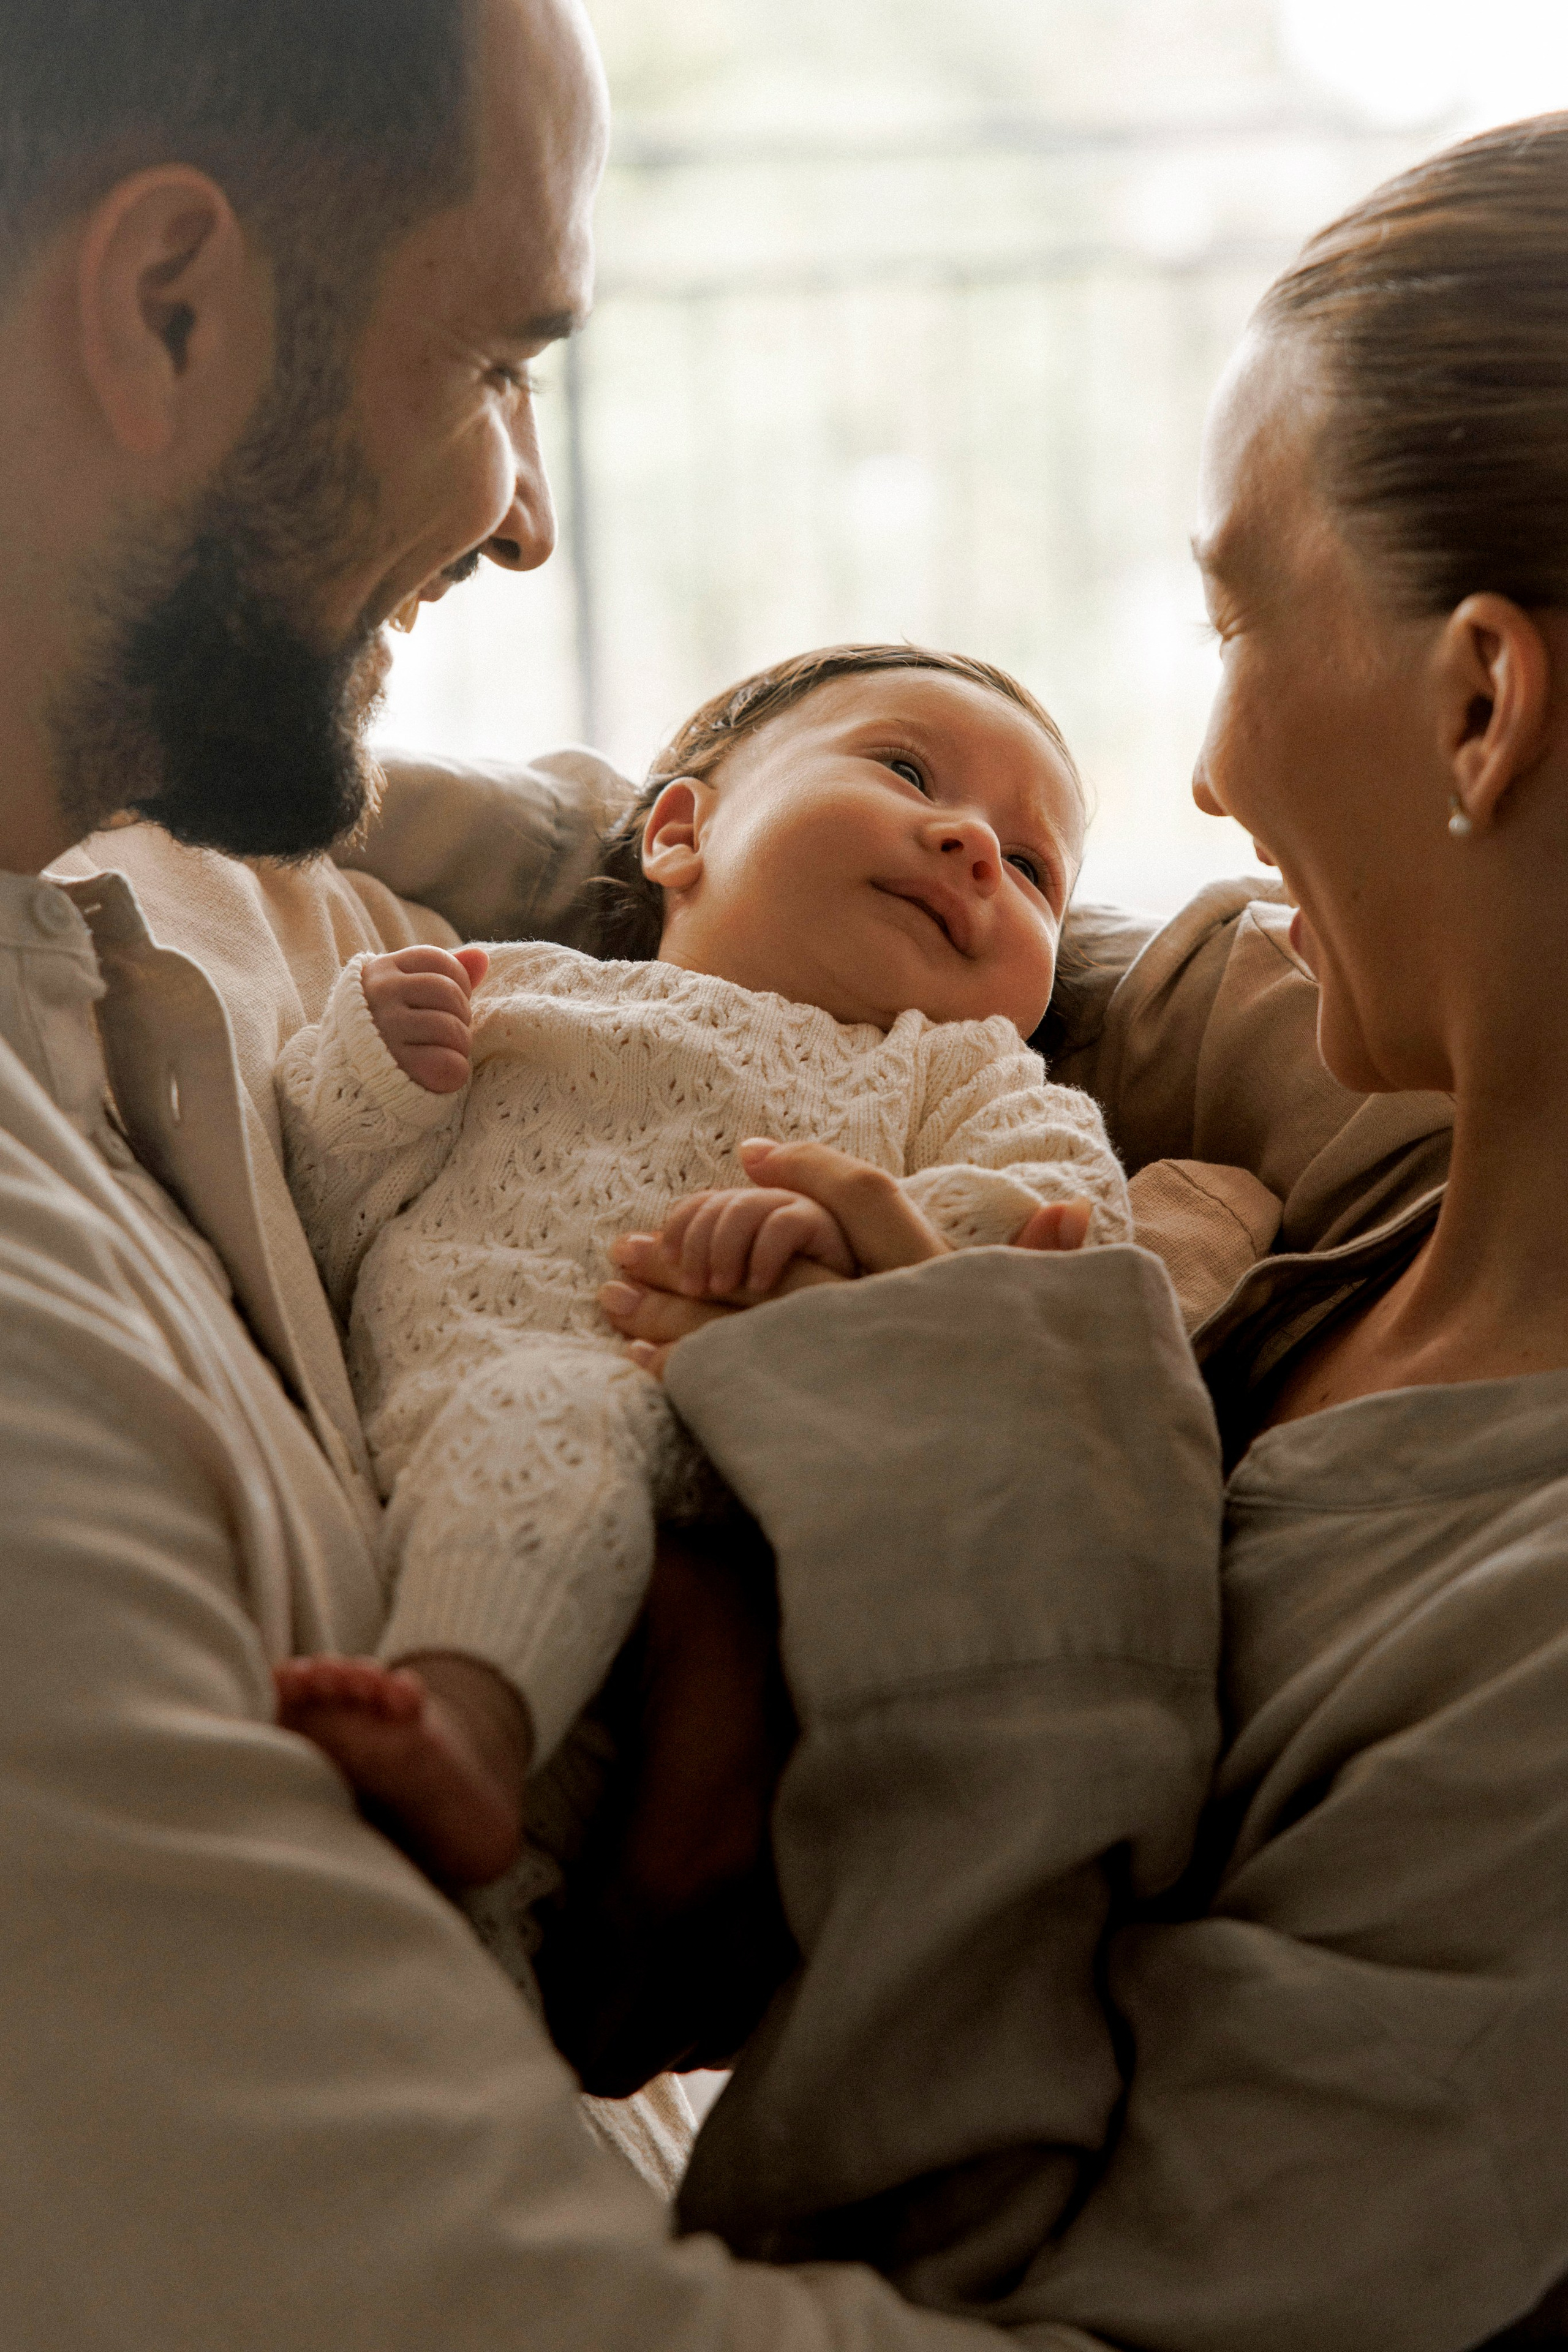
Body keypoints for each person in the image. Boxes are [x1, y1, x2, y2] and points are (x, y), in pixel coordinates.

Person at [592, 114, 1568, 2348]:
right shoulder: (1360, 1178)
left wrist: (989, 1502)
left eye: (1237, 615)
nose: (1211, 769)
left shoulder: (1525, 1665)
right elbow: (1034, 940)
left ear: (1484, 702)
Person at [265, 641, 1145, 1892]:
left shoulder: (956, 1071)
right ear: (681, 830)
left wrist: (862, 1228)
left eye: (1032, 867)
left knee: (555, 1410)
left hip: (709, 1496)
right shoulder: (514, 991)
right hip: (415, 1478)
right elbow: (318, 1224)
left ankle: (464, 1715)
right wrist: (369, 1068)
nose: (972, 848)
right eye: (906, 770)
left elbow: (1063, 1222)